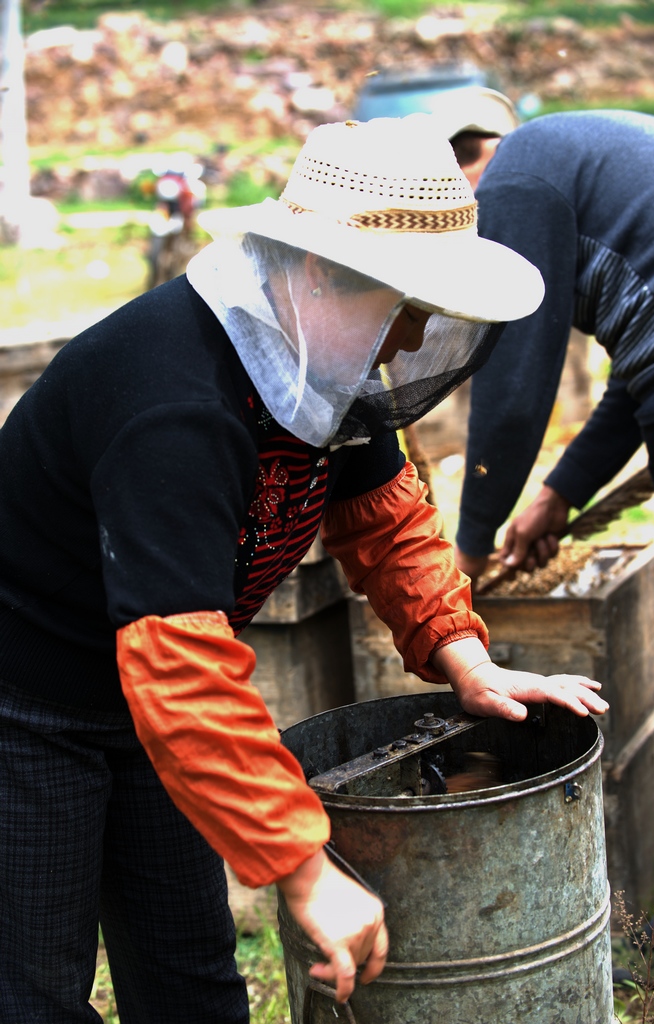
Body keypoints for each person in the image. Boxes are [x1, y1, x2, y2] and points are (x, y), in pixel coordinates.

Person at [0, 114, 608, 1024]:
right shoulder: (178, 403)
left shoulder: (323, 366)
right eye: (400, 304)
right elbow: (180, 666)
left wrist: (465, 659)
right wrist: (305, 870)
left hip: (150, 702)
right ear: (317, 268)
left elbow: (388, 521)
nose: (410, 339)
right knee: (34, 991)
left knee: (191, 973)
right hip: (26, 702)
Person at [441, 91, 654, 946]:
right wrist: (560, 492)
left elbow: (512, 389)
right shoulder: (584, 158)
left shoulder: (510, 187)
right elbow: (648, 355)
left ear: (465, 168)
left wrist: (464, 550)